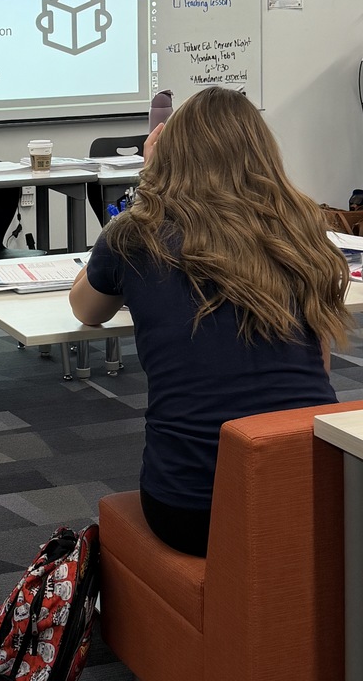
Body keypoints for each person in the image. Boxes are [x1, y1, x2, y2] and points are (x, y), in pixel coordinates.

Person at [70, 86, 350, 556]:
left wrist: (147, 181)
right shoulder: (300, 229)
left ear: (167, 155)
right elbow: (317, 369)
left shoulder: (135, 233)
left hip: (190, 509)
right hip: (314, 485)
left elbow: (85, 310)